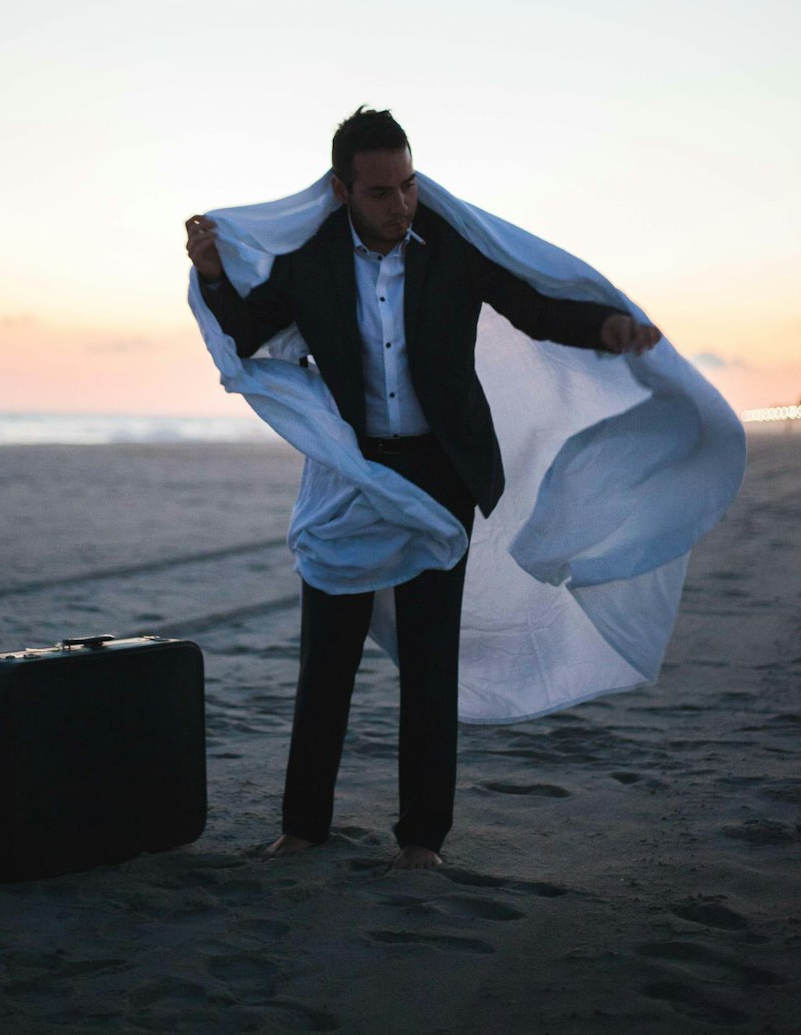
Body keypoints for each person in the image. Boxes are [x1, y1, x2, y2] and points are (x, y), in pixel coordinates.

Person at [185, 107, 661, 870]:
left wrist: (606, 328)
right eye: (380, 192)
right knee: (327, 660)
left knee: (430, 663)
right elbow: (243, 334)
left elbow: (531, 305)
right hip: (352, 473)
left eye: (407, 185)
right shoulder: (309, 266)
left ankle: (421, 841)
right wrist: (212, 275)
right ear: (342, 191)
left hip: (440, 473)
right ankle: (304, 824)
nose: (400, 204)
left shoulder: (451, 252)